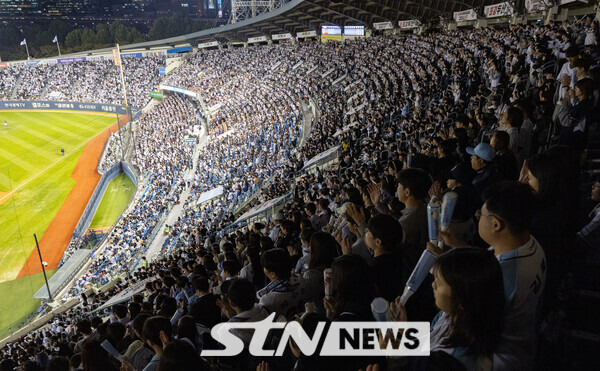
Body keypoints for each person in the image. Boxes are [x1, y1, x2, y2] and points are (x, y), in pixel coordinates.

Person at [390, 248, 505, 370]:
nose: (433, 285)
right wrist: (403, 329)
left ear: (461, 299)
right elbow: (426, 346)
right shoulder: (447, 315)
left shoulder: (455, 360)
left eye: (438, 283)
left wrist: (394, 354)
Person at [479, 182, 546, 370]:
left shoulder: (497, 279)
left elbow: (459, 337)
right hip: (522, 348)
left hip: (495, 360)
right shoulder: (531, 244)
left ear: (496, 225)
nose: (478, 218)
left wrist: (392, 338)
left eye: (481, 215)